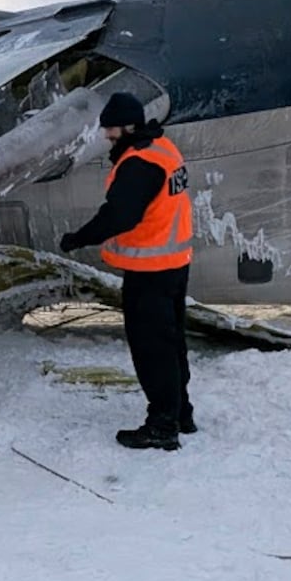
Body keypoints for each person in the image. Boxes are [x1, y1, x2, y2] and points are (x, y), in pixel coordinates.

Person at [59, 91, 194, 451]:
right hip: (174, 265)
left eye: (112, 129)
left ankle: (163, 426)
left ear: (129, 127)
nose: (107, 136)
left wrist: (77, 238)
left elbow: (120, 215)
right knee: (171, 343)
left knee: (152, 350)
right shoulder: (163, 149)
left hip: (150, 270)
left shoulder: (139, 165)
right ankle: (182, 413)